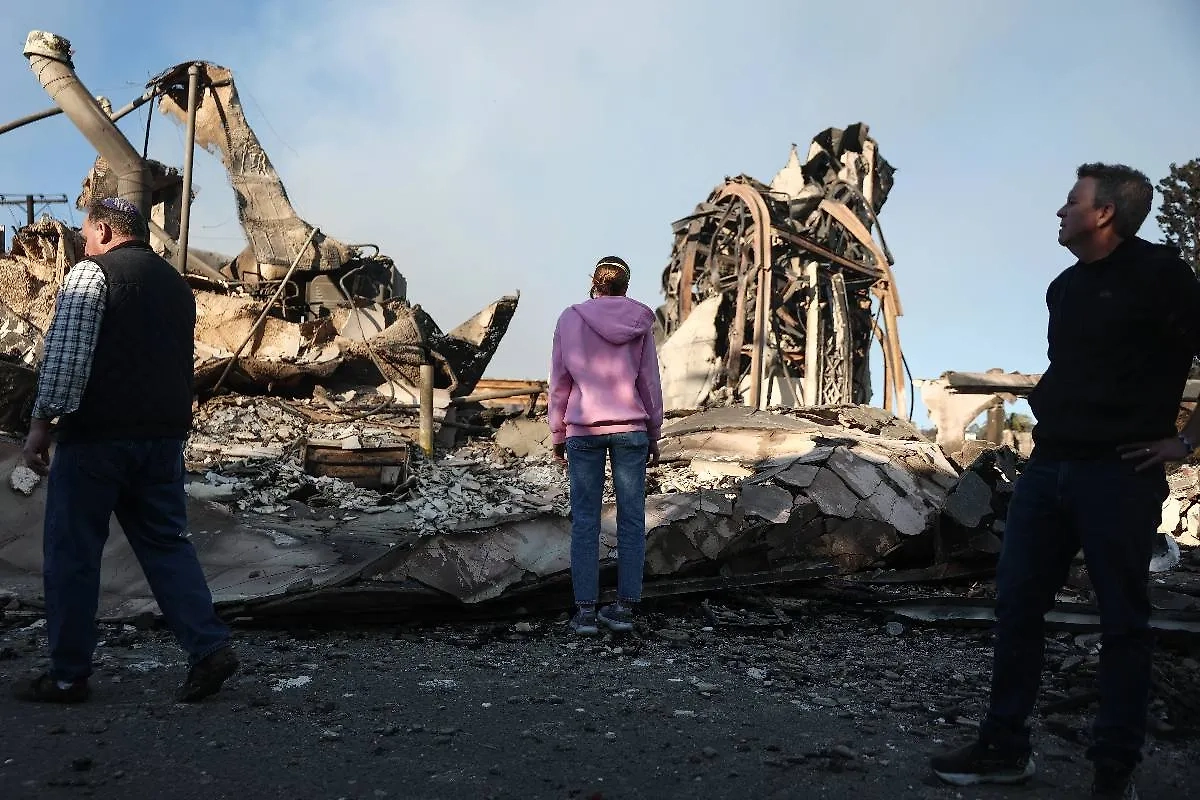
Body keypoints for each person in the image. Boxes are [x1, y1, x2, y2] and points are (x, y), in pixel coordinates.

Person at [930, 163, 1200, 798]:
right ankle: (1003, 748)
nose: (1059, 211)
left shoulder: (1162, 275)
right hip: (1048, 466)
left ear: (1104, 213)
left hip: (1120, 473)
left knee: (1122, 618)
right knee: (1017, 605)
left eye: (1071, 201)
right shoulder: (1065, 288)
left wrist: (1186, 442)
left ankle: (1113, 770)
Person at [16, 197, 238, 704]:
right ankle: (209, 648)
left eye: (85, 234)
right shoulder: (177, 286)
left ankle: (68, 675)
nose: (83, 243)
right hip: (162, 440)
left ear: (103, 231)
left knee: (73, 554)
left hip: (97, 439)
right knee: (167, 544)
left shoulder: (90, 275)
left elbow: (66, 360)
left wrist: (39, 427)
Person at [549, 255, 663, 636]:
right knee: (631, 519)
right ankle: (624, 609)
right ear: (626, 287)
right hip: (631, 429)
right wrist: (654, 430)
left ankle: (585, 613)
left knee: (585, 521)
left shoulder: (569, 319)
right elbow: (649, 381)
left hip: (583, 430)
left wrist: (557, 432)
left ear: (594, 283)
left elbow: (559, 382)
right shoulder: (639, 321)